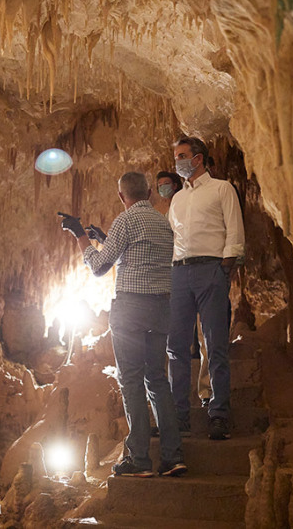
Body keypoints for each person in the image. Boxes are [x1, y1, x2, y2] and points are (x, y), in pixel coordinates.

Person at [60, 172, 186, 477]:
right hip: (161, 308)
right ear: (150, 193)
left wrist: (79, 235)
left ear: (121, 196)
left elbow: (99, 267)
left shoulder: (125, 220)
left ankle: (139, 459)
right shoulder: (163, 223)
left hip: (131, 309)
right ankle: (173, 457)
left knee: (131, 380)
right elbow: (139, 257)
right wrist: (105, 240)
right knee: (157, 380)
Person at [167, 137, 244, 440]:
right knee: (176, 347)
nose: (177, 162)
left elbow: (234, 232)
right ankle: (178, 416)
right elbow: (173, 238)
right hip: (179, 272)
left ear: (198, 159)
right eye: (176, 157)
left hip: (211, 269)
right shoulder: (177, 199)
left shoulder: (222, 189)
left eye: (182, 156)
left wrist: (224, 269)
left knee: (215, 345)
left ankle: (219, 413)